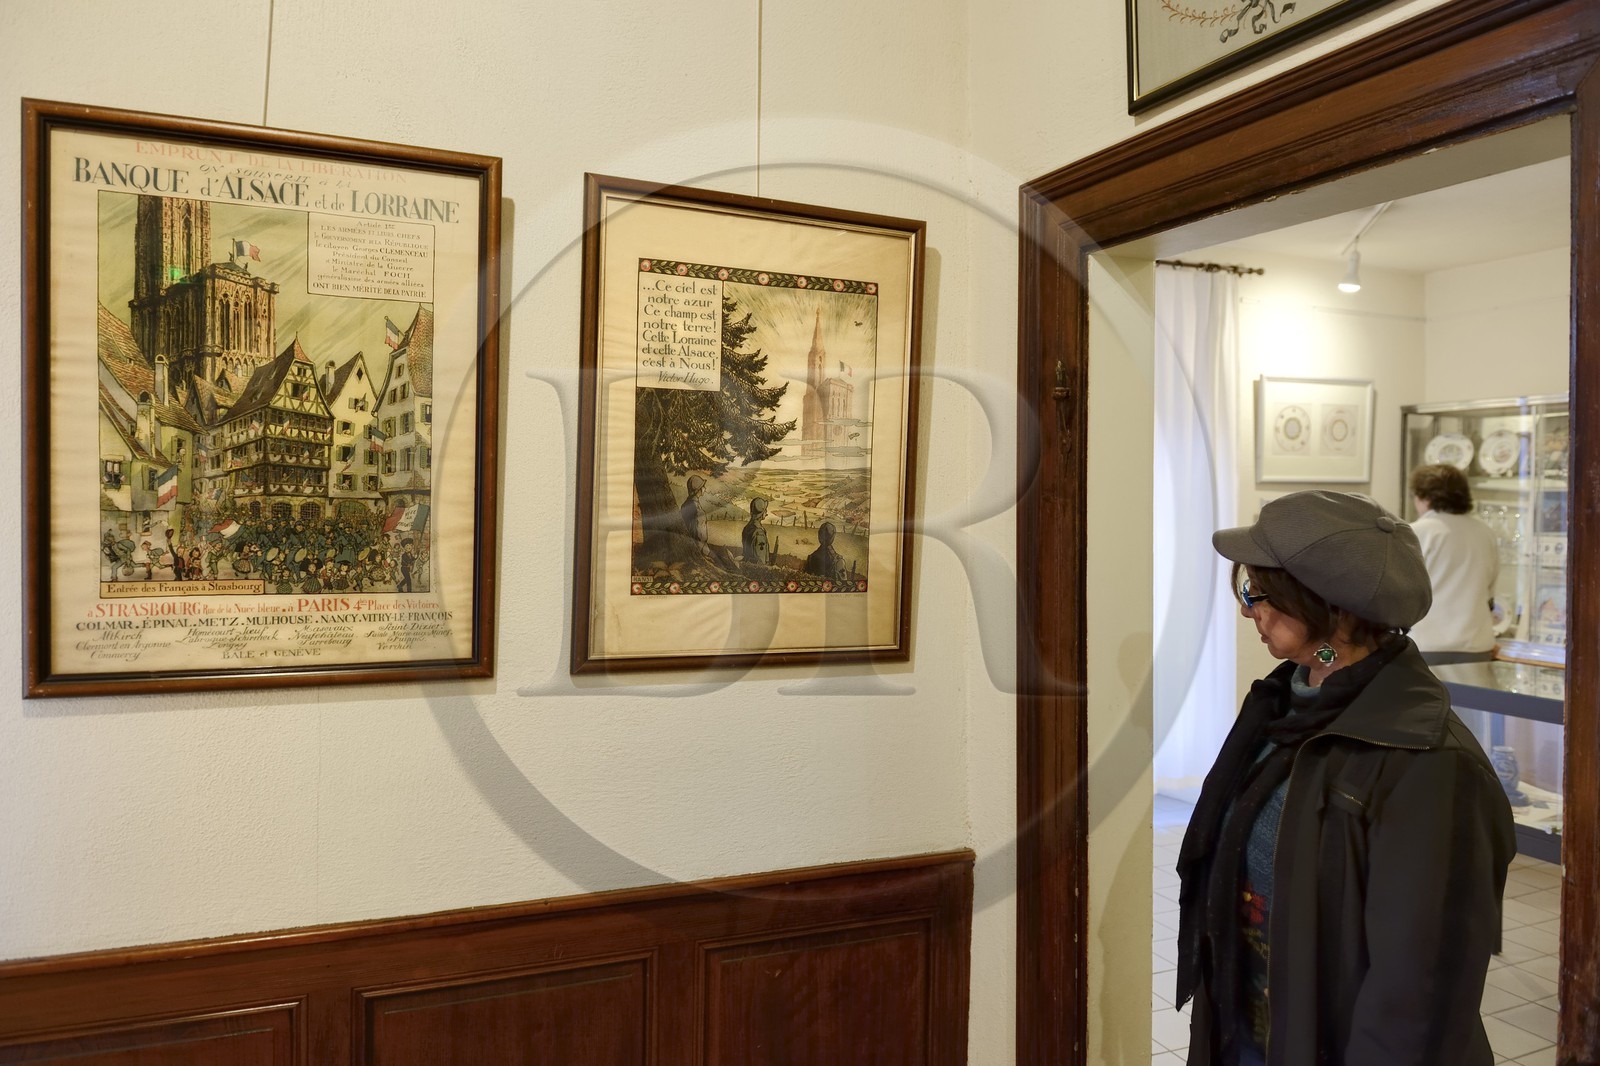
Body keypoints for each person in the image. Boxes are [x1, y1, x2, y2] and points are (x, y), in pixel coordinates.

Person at [1175, 490, 1514, 1066]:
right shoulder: (1282, 708)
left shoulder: (1430, 762)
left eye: (1260, 592)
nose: (1246, 608)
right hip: (1252, 1028)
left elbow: (1419, 993)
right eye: (1245, 588)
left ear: (1337, 610)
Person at [1408, 463, 1500, 664]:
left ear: (1425, 497)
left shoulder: (1416, 532)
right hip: (1477, 645)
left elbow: (1400, 593)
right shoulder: (1485, 533)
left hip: (1426, 645)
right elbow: (1490, 596)